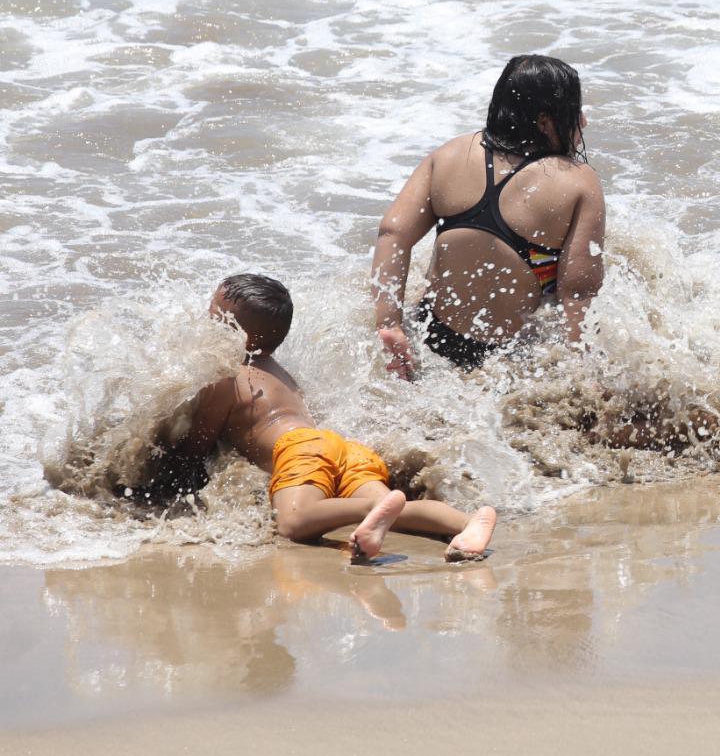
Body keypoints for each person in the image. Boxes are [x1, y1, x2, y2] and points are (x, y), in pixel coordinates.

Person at [174, 274, 498, 561]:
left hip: (301, 451)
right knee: (398, 511)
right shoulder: (279, 372)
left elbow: (196, 445)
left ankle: (373, 510)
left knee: (294, 521)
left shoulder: (227, 376)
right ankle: (468, 523)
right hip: (342, 449)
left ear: (232, 331)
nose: (204, 320)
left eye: (212, 314)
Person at [371, 54, 605, 376]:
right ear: (545, 122)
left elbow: (393, 233)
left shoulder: (450, 154)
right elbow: (579, 291)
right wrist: (585, 371)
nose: (583, 121)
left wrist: (390, 323)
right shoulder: (577, 181)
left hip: (433, 335)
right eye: (574, 111)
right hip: (512, 359)